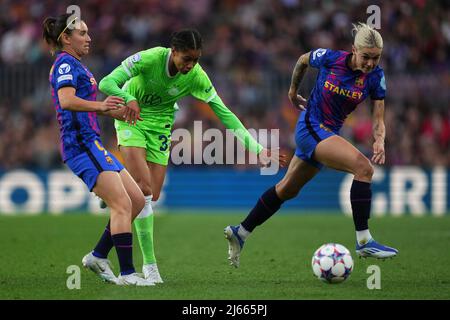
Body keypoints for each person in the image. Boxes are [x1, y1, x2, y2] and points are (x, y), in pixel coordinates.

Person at [98, 29, 285, 282]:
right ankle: (150, 266)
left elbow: (224, 113)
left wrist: (257, 149)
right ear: (173, 52)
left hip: (161, 124)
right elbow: (106, 83)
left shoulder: (196, 76)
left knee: (151, 195)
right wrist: (128, 97)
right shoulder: (150, 58)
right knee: (142, 190)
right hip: (132, 117)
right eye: (187, 58)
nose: (191, 65)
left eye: (196, 59)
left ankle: (114, 195)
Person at [224, 23, 398, 268]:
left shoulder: (376, 77)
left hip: (327, 134)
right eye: (366, 57)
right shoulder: (330, 59)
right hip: (311, 127)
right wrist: (293, 91)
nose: (370, 63)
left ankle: (240, 232)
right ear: (353, 50)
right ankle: (364, 240)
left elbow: (378, 118)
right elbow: (303, 60)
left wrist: (379, 138)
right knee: (364, 169)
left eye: (376, 58)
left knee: (286, 190)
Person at [43, 13, 154, 286]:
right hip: (80, 145)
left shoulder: (77, 65)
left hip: (93, 143)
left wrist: (112, 114)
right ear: (65, 38)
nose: (88, 38)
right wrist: (102, 106)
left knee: (137, 201)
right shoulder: (65, 65)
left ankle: (98, 255)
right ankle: (127, 274)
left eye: (88, 32)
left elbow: (82, 107)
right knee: (121, 204)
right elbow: (67, 101)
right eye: (82, 33)